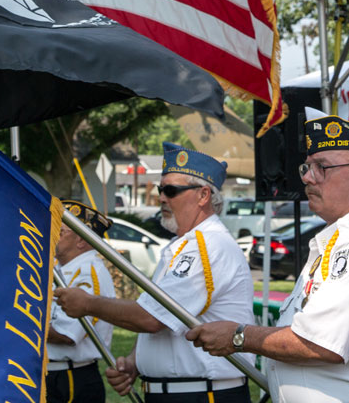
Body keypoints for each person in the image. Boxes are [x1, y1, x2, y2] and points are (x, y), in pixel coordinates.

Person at [186, 108, 349, 402]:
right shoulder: (346, 236)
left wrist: (239, 336)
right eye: (307, 168)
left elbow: (321, 343)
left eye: (322, 167)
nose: (308, 179)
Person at [55, 142, 255, 403]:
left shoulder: (207, 245)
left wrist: (88, 304)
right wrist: (136, 362)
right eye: (161, 189)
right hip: (183, 392)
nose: (161, 197)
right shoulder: (184, 245)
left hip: (203, 394)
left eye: (171, 190)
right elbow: (163, 320)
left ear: (203, 195)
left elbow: (151, 319)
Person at [46, 200, 116, 403]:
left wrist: (23, 324)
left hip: (70, 378)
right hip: (52, 374)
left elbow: (67, 334)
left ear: (82, 240)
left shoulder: (88, 272)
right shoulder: (58, 268)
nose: (52, 233)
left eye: (60, 230)